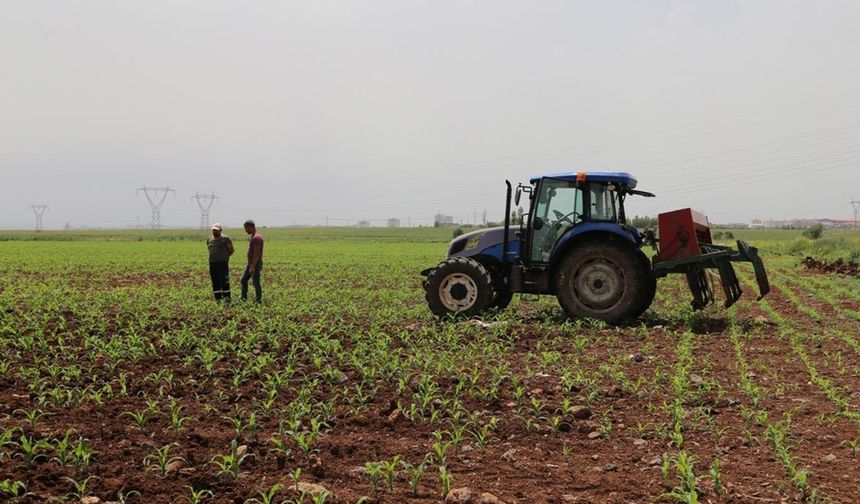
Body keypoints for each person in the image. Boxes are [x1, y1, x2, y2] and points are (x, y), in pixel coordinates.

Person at [207, 223, 234, 302]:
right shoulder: (209, 239)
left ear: (221, 230)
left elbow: (231, 250)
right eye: (213, 230)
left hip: (223, 264)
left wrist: (225, 257)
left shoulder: (226, 239)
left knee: (225, 280)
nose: (215, 232)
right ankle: (218, 299)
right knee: (215, 281)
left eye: (216, 230)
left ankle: (227, 299)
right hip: (212, 263)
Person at [241, 219, 264, 303]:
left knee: (256, 282)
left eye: (246, 228)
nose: (245, 230)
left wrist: (252, 266)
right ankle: (243, 299)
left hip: (255, 264)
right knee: (244, 280)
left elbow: (257, 254)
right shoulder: (254, 237)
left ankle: (258, 300)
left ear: (250, 227)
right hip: (251, 263)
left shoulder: (256, 238)